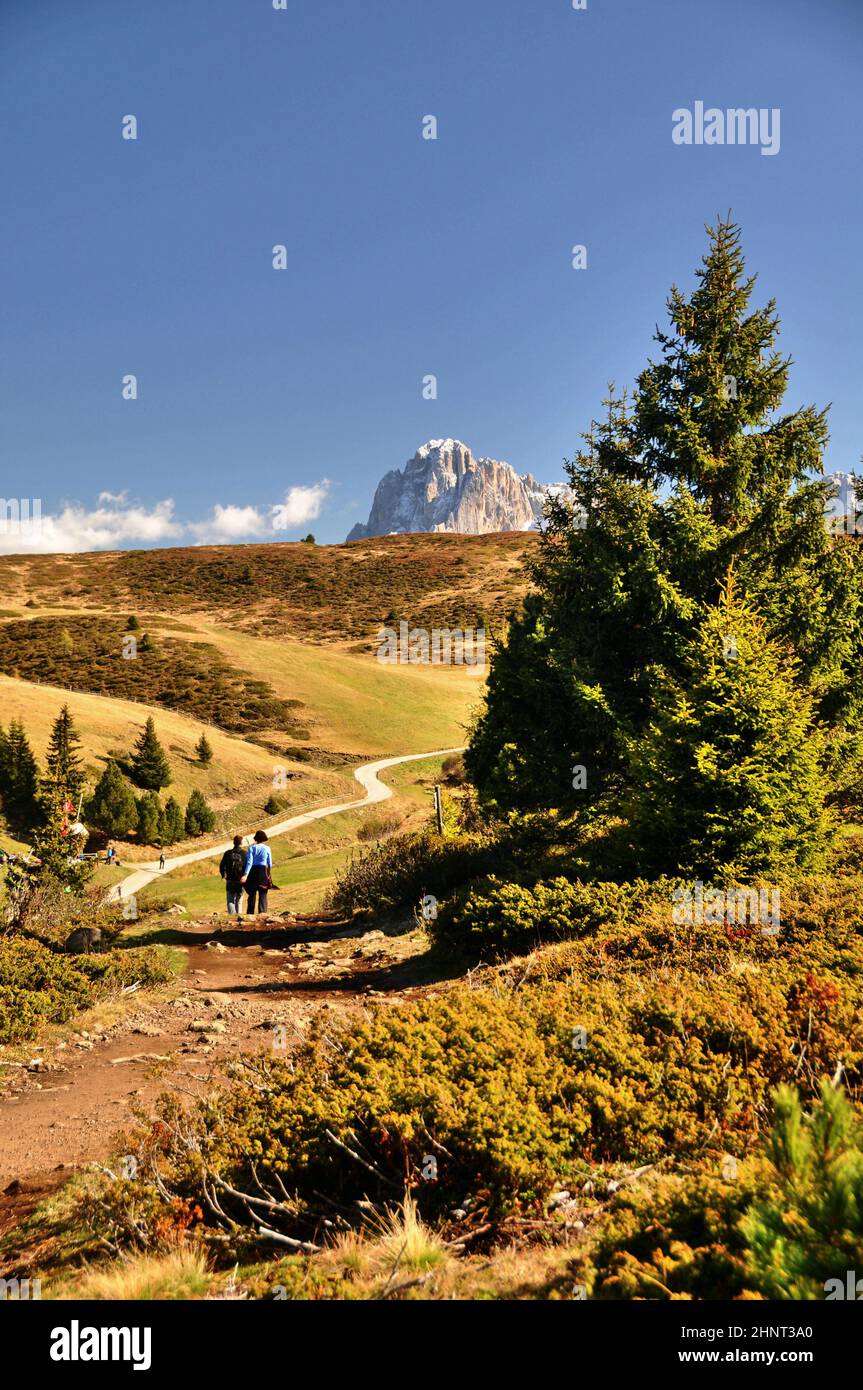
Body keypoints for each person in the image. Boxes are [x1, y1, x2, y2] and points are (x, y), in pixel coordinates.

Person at [241, 830, 275, 916]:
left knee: (252, 894)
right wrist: (269, 871)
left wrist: (245, 874)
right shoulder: (267, 848)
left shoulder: (251, 848)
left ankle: (250, 914)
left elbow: (249, 863)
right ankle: (262, 913)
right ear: (263, 839)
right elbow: (270, 863)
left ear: (256, 839)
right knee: (263, 893)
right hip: (263, 871)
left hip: (253, 872)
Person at [219, 835, 247, 920]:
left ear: (233, 842)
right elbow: (247, 866)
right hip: (240, 880)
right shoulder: (245, 853)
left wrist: (223, 874)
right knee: (239, 901)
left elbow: (221, 865)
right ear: (241, 843)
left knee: (230, 900)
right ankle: (239, 918)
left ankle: (232, 918)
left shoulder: (228, 853)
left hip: (230, 880)